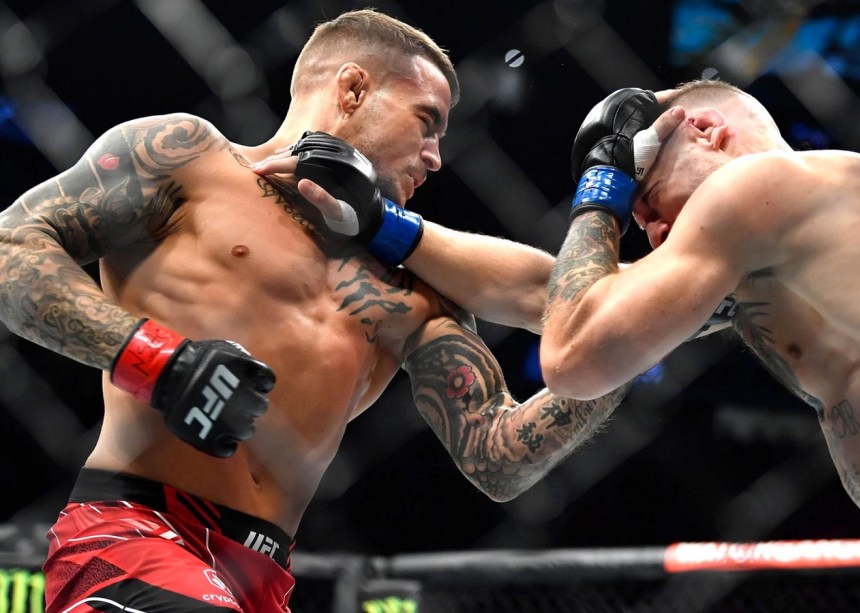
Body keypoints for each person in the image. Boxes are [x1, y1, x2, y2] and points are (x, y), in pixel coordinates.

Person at [0, 9, 629, 612]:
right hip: (135, 530)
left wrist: (621, 350)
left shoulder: (414, 289)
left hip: (262, 578)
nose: (436, 156)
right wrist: (159, 361)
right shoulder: (192, 162)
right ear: (353, 90)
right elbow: (12, 248)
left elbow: (499, 458)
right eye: (426, 121)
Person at [539, 80, 860, 612]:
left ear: (705, 130)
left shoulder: (759, 183)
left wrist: (601, 192)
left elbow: (572, 358)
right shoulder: (795, 244)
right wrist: (453, 255)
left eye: (650, 201)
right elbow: (558, 296)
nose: (655, 233)